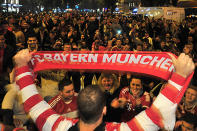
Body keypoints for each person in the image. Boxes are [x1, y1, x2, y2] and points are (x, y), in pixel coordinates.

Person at [14, 49, 195, 131]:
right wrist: (180, 76)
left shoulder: (56, 126)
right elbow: (157, 115)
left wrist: (22, 67)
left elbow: (33, 105)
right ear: (104, 109)